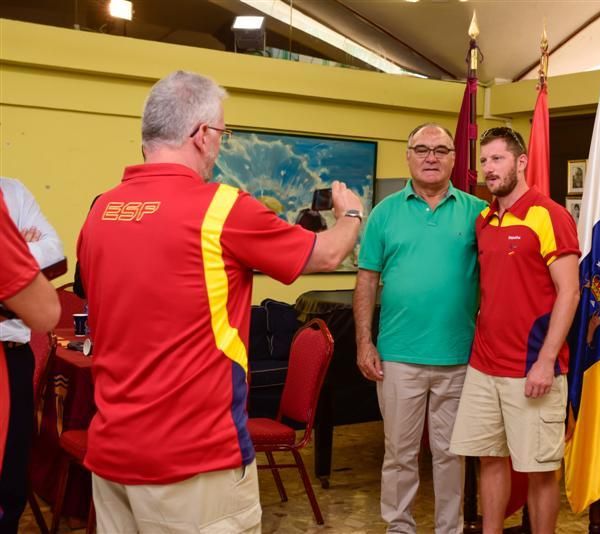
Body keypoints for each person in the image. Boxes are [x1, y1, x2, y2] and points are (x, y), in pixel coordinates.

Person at [77, 70, 363, 533]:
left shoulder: (101, 211)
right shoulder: (220, 206)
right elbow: (328, 253)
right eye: (222, 134)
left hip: (112, 449)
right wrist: (350, 212)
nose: (220, 146)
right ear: (202, 135)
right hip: (195, 459)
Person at [353, 123, 486, 534]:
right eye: (422, 149)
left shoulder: (477, 213)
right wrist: (363, 342)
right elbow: (366, 280)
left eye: (441, 150)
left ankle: (450, 528)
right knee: (399, 453)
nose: (431, 157)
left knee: (451, 455)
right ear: (408, 156)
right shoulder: (384, 213)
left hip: (459, 357)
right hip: (397, 358)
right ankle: (399, 527)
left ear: (453, 159)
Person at [450, 127, 580, 534]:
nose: (489, 168)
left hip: (531, 369)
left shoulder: (549, 215)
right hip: (484, 366)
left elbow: (570, 292)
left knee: (539, 471)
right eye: (484, 161)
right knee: (489, 458)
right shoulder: (484, 220)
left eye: (498, 159)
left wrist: (545, 362)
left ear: (521, 162)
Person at [0, 178, 63, 532]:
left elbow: (54, 250)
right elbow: (42, 307)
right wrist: (21, 251)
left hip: (12, 357)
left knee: (10, 482)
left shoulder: (13, 192)